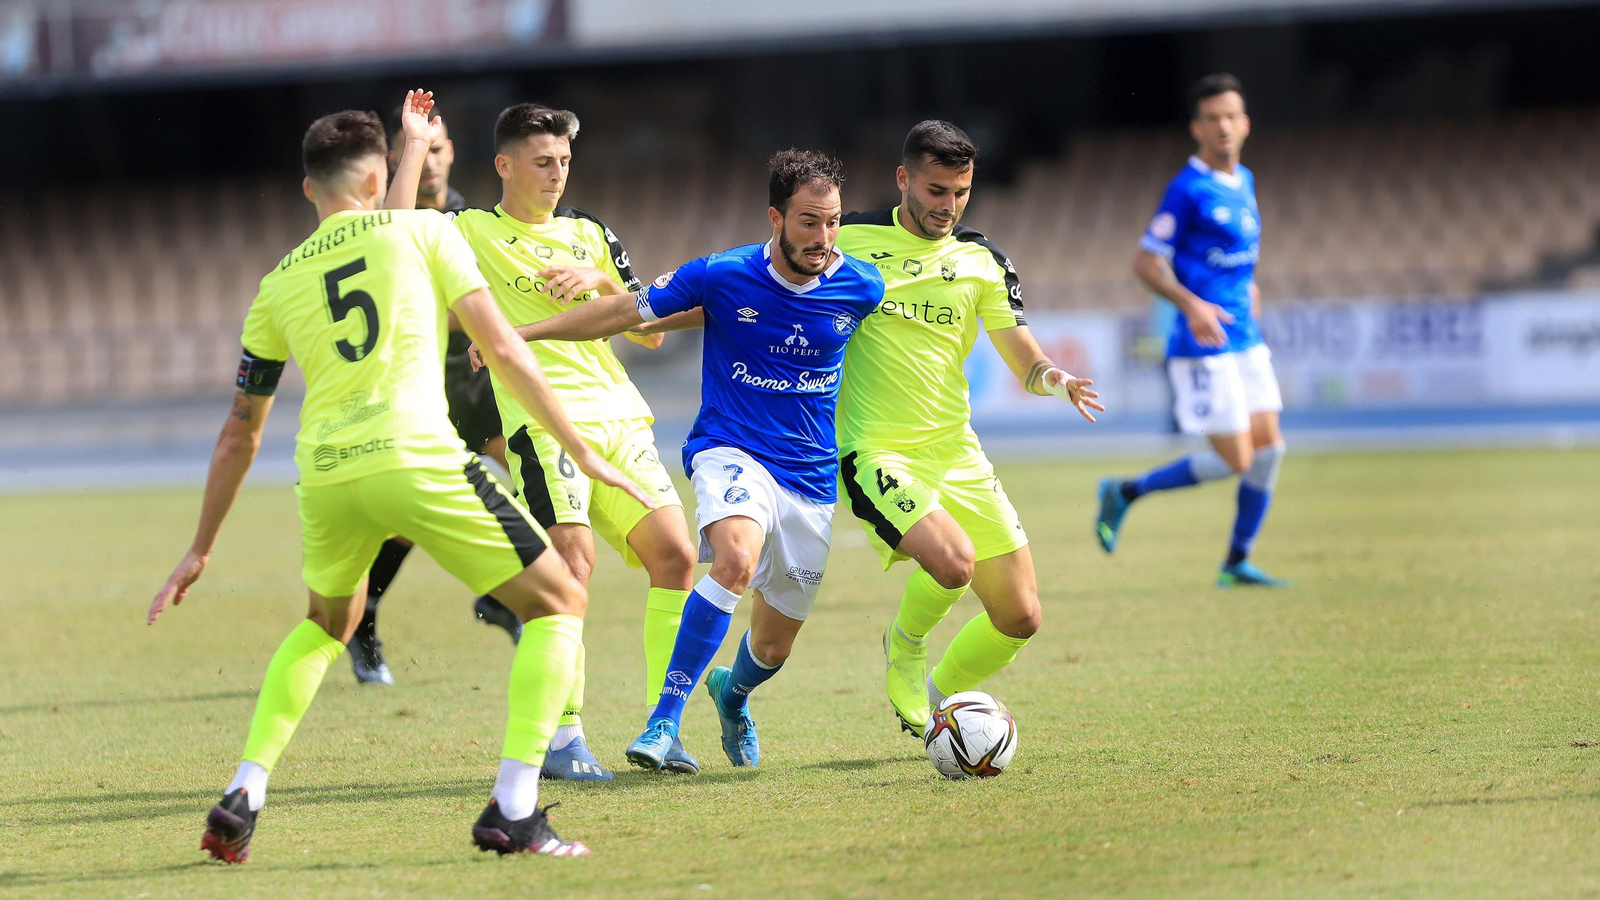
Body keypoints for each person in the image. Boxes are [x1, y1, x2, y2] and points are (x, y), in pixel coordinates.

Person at [146, 94, 653, 861]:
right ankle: (513, 809)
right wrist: (580, 449)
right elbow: (508, 351)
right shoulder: (423, 230)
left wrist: (200, 548)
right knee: (561, 601)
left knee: (325, 624)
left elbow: (238, 431)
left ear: (308, 187)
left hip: (324, 475)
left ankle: (245, 787)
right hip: (416, 455)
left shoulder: (277, 283)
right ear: (383, 175)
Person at [492, 150, 884, 770]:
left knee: (774, 646)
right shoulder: (723, 272)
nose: (824, 239)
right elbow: (628, 313)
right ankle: (663, 722)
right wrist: (524, 335)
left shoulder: (863, 285)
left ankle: (734, 693)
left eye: (833, 222)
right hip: (733, 449)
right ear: (776, 218)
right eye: (810, 222)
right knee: (732, 557)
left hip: (810, 475)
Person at [400, 102, 698, 780]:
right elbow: (397, 231)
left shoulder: (591, 231)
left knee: (678, 556)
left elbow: (650, 330)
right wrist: (416, 146)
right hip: (542, 424)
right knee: (572, 567)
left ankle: (662, 725)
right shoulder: (468, 228)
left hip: (621, 417)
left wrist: (602, 281)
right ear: (504, 165)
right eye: (543, 161)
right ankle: (565, 738)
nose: (557, 173)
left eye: (564, 161)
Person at [833, 121, 1102, 738]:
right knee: (953, 564)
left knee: (1021, 615)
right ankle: (903, 645)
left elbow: (1024, 358)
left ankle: (937, 700)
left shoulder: (981, 260)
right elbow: (765, 286)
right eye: (935, 190)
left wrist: (1054, 378)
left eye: (960, 192)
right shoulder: (845, 241)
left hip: (957, 452)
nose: (947, 206)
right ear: (903, 179)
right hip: (875, 451)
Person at [345, 101, 518, 688]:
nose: (434, 161)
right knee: (406, 520)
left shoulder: (473, 217)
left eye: (441, 149)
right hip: (417, 382)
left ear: (450, 155)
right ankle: (362, 621)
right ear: (399, 159)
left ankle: (500, 594)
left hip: (476, 376)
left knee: (514, 469)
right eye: (424, 149)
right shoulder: (381, 224)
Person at [1096, 73, 1289, 587]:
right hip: (1202, 345)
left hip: (1245, 337)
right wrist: (1194, 305)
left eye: (1231, 116)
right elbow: (1144, 262)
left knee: (1270, 452)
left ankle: (1236, 562)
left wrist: (1249, 291)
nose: (1223, 126)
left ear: (1244, 124)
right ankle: (1125, 491)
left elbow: (1235, 260)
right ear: (1196, 128)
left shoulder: (1243, 180)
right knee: (1236, 460)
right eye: (1212, 118)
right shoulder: (1186, 189)